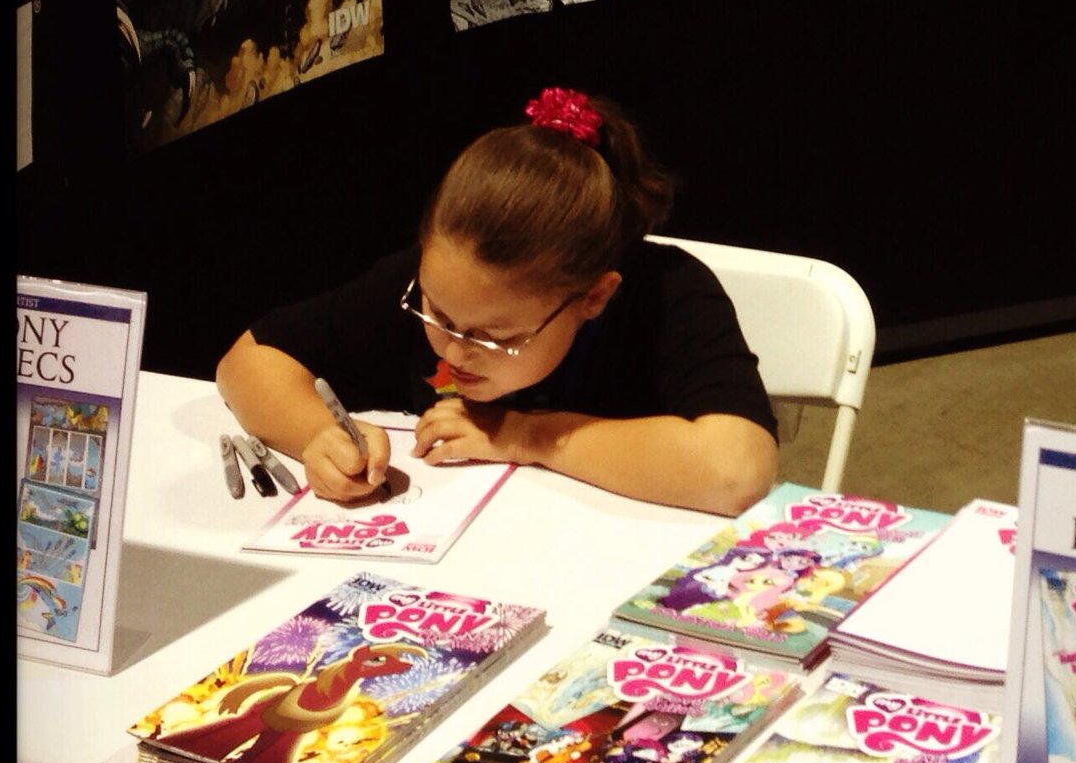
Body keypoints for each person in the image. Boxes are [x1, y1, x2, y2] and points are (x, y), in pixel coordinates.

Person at [217, 87, 780, 513]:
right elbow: (248, 361)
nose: (455, 351)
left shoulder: (668, 295)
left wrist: (524, 436)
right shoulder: (433, 282)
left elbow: (737, 469)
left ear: (593, 297)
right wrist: (319, 436)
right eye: (438, 315)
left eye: (497, 338)